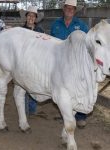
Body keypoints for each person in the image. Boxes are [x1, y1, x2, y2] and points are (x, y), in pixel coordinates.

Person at [51, 0, 88, 128]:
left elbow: (87, 44)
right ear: (64, 8)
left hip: (76, 64)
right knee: (63, 90)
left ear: (75, 10)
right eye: (68, 7)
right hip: (60, 64)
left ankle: (80, 116)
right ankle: (66, 114)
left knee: (79, 90)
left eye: (72, 8)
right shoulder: (55, 24)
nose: (70, 10)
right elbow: (52, 43)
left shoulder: (81, 25)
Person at [20, 6, 44, 115]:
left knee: (34, 85)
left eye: (33, 16)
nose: (31, 17)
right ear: (26, 17)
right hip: (23, 61)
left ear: (35, 18)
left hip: (36, 61)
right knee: (23, 85)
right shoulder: (21, 30)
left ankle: (32, 109)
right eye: (29, 15)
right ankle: (25, 109)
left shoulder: (40, 30)